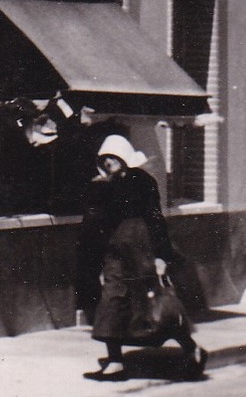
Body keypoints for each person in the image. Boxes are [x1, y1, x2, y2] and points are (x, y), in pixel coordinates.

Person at [77, 133, 207, 380]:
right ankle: (115, 363)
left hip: (141, 248)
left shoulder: (142, 181)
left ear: (124, 157)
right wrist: (100, 188)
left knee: (153, 303)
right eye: (104, 159)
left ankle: (192, 348)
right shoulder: (102, 185)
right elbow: (96, 220)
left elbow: (155, 218)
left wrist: (162, 256)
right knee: (111, 300)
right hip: (115, 251)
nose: (107, 163)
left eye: (112, 158)